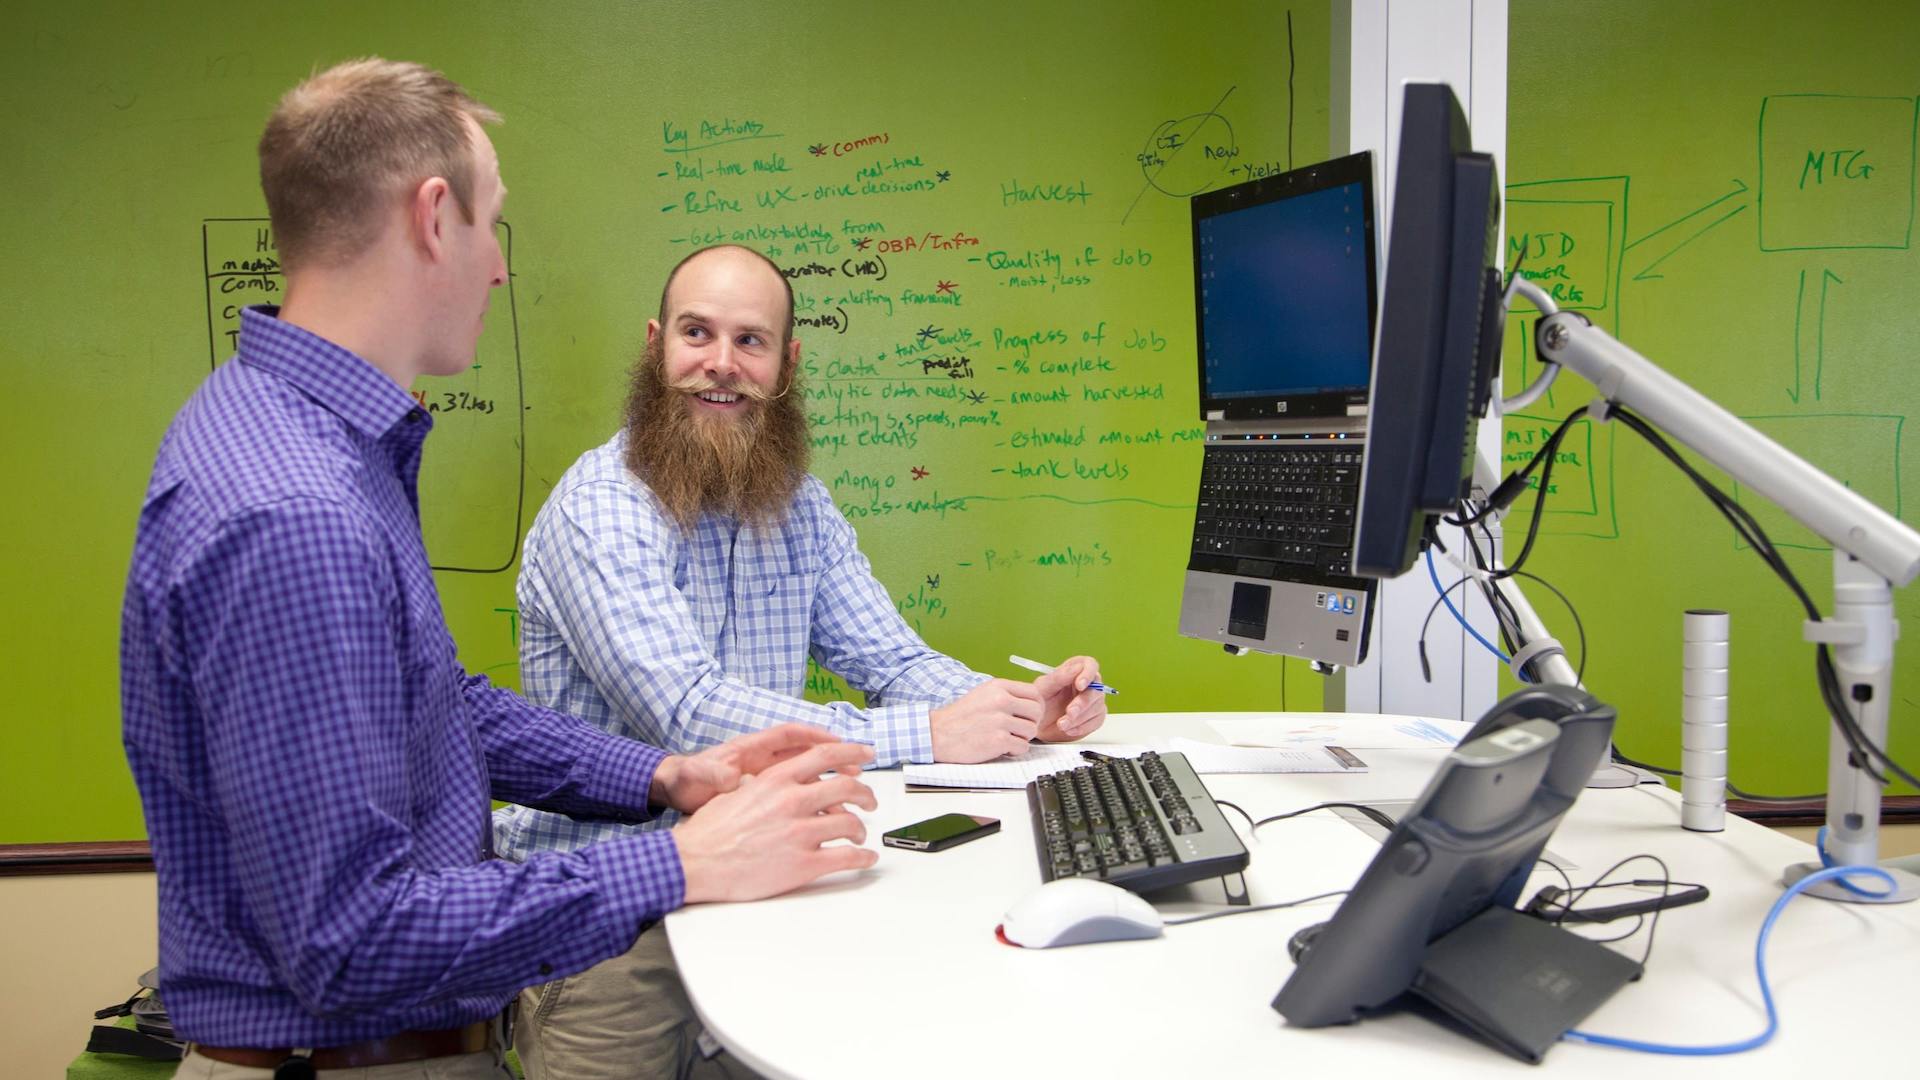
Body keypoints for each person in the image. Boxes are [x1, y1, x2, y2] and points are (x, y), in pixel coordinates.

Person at [120, 59, 877, 1080]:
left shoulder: (304, 436)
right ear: (435, 217)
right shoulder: (297, 511)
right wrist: (676, 861)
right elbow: (351, 944)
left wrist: (660, 776)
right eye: (494, 226)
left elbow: (427, 702)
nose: (500, 270)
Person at [490, 243, 1110, 1078]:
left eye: (750, 340)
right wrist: (934, 733)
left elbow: (891, 658)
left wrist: (1014, 709)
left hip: (767, 892)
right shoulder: (600, 506)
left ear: (787, 363)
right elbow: (688, 715)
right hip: (614, 924)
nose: (722, 363)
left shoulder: (799, 505)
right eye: (697, 333)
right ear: (656, 346)